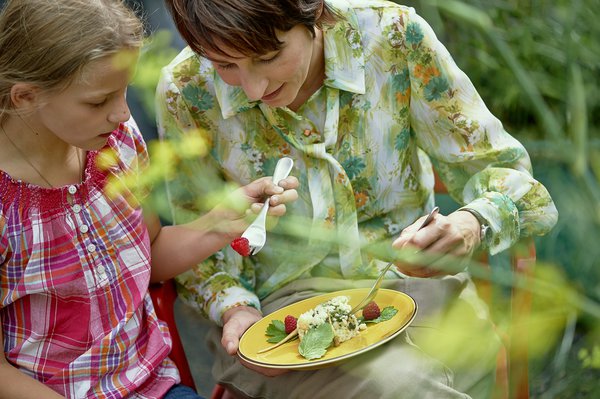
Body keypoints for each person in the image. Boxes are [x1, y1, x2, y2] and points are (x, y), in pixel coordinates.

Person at [156, 0, 558, 398]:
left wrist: (473, 223)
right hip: (284, 322)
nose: (253, 88)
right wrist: (233, 307)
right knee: (402, 387)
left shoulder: (393, 37)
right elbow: (198, 240)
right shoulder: (187, 89)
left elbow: (510, 177)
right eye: (225, 65)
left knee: (427, 376)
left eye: (268, 56)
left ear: (311, 11)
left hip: (419, 290)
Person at [0, 1, 299, 398]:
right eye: (98, 101)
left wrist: (224, 221)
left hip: (151, 386)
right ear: (25, 97)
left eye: (125, 91)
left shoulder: (116, 144)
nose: (123, 113)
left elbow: (150, 254)